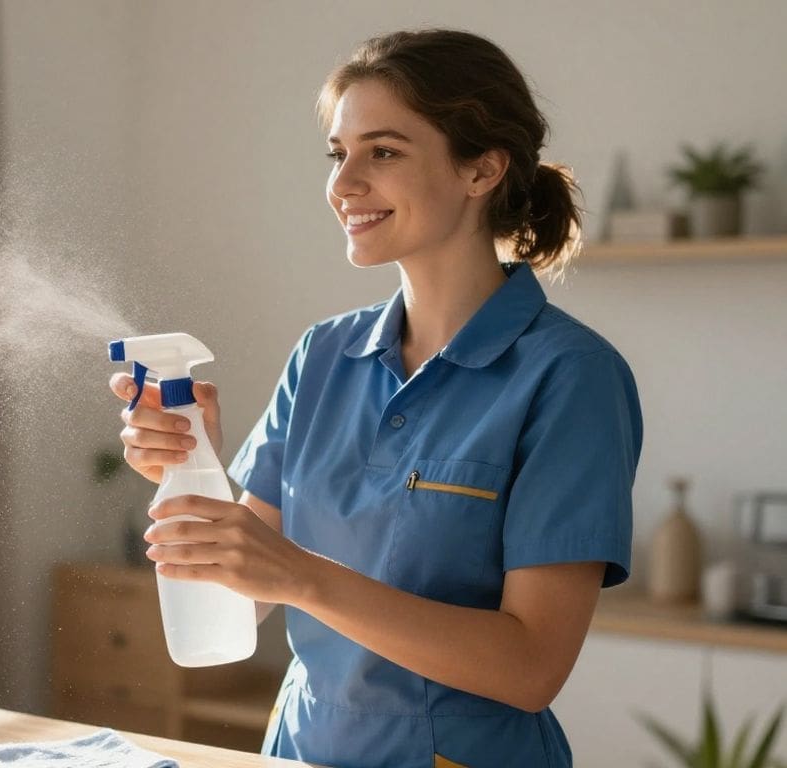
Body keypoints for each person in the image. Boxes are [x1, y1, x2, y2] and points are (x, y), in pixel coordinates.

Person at [109, 29, 642, 768]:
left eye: (383, 152)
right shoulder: (322, 355)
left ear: (482, 169)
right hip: (299, 751)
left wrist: (302, 574)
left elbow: (529, 669)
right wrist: (188, 465)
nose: (344, 183)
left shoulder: (569, 377)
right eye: (338, 154)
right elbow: (240, 605)